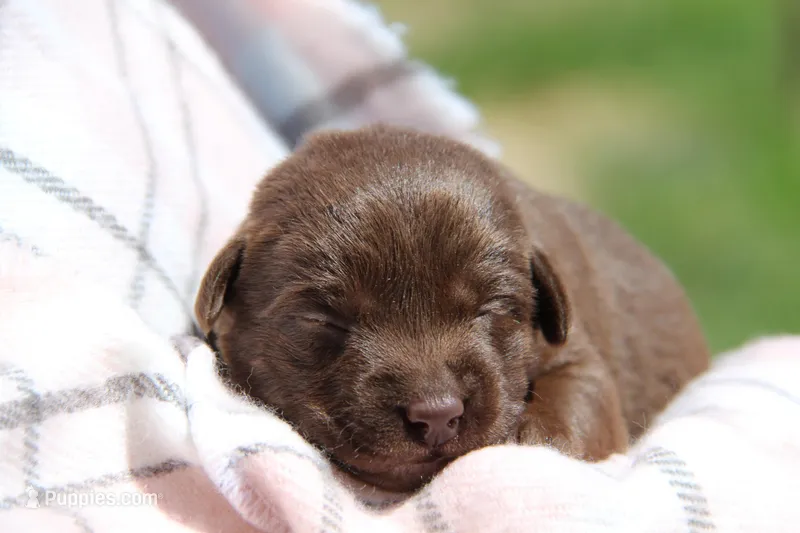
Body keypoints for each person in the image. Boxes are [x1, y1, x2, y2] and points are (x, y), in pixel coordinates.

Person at [0, 1, 798, 532]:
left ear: (541, 302)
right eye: (328, 320)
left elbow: (579, 381)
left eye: (487, 311)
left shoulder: (554, 316)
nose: (434, 398)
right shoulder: (224, 292)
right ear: (226, 301)